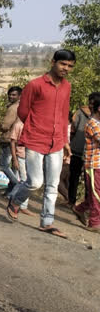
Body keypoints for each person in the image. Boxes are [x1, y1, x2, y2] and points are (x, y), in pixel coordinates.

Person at [6, 49, 76, 238]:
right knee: (36, 182)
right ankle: (15, 199)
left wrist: (65, 141)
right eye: (63, 64)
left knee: (52, 185)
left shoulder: (66, 87)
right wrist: (36, 126)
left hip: (56, 142)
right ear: (53, 62)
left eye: (70, 66)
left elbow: (63, 114)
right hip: (36, 139)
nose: (66, 68)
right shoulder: (35, 85)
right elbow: (23, 112)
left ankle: (47, 222)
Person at [73, 92, 100, 232]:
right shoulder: (93, 124)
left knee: (95, 193)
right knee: (96, 194)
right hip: (94, 165)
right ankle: (94, 223)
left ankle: (80, 208)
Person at [66, 95, 98, 206]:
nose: (90, 105)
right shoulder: (82, 114)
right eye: (90, 102)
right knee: (76, 177)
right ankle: (73, 201)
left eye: (92, 103)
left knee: (88, 181)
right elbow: (73, 129)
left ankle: (82, 203)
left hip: (86, 152)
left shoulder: (82, 113)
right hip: (81, 151)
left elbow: (73, 129)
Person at [0, 86, 22, 196]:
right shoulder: (21, 107)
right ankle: (10, 192)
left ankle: (17, 184)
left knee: (4, 166)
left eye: (14, 95)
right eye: (10, 94)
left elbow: (5, 125)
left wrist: (0, 126)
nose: (11, 96)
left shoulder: (13, 108)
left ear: (19, 96)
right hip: (17, 139)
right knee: (14, 167)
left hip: (8, 139)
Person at [8, 117, 33, 216]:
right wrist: (15, 159)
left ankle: (13, 198)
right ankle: (21, 205)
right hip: (21, 157)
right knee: (25, 180)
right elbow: (12, 142)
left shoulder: (32, 125)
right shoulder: (18, 125)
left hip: (31, 157)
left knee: (29, 181)